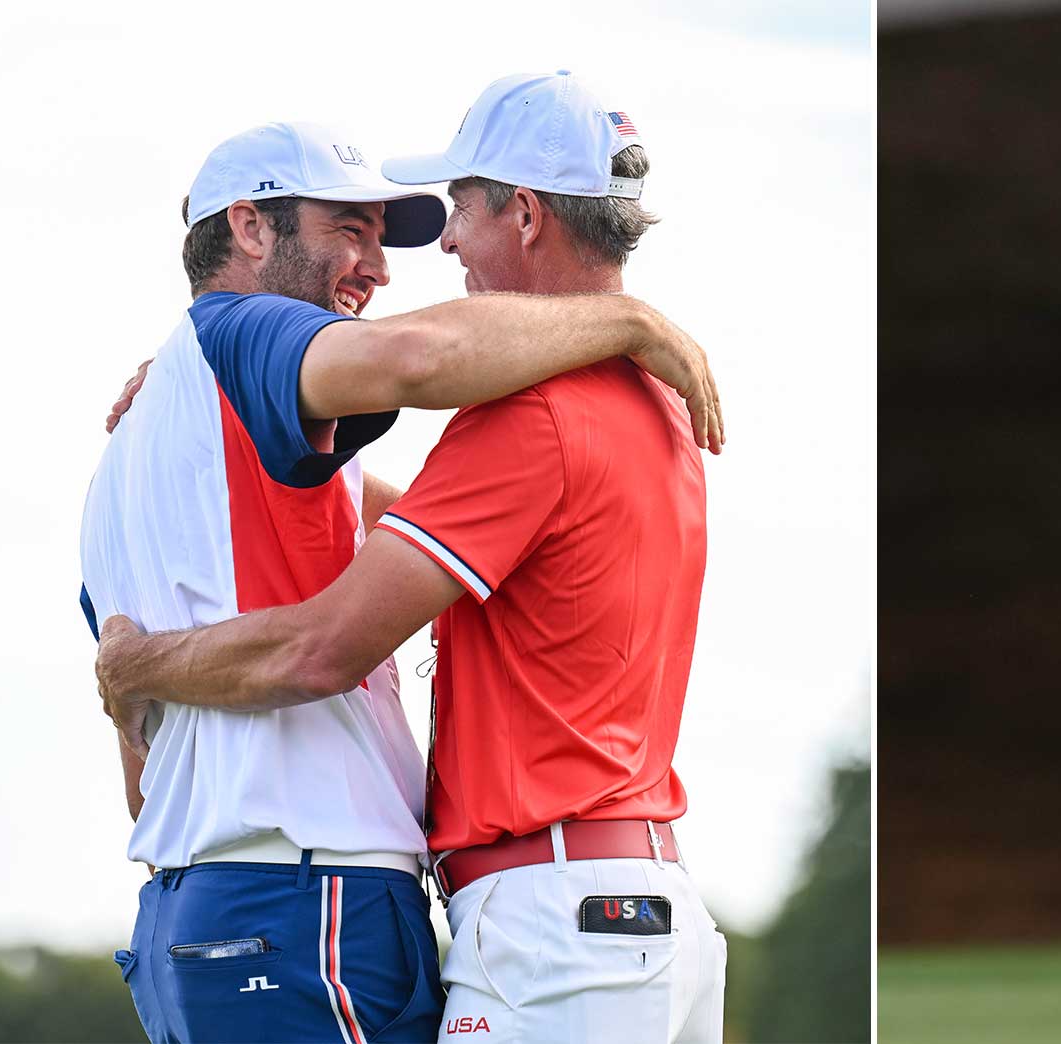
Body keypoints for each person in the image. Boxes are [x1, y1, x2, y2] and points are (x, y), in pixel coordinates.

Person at [96, 72, 725, 1044]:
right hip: (618, 909)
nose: (424, 254)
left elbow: (322, 643)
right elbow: (420, 503)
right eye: (349, 229)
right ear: (248, 229)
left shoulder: (531, 411)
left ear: (523, 215)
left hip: (550, 924)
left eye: (458, 210)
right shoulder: (655, 406)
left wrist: (137, 668)